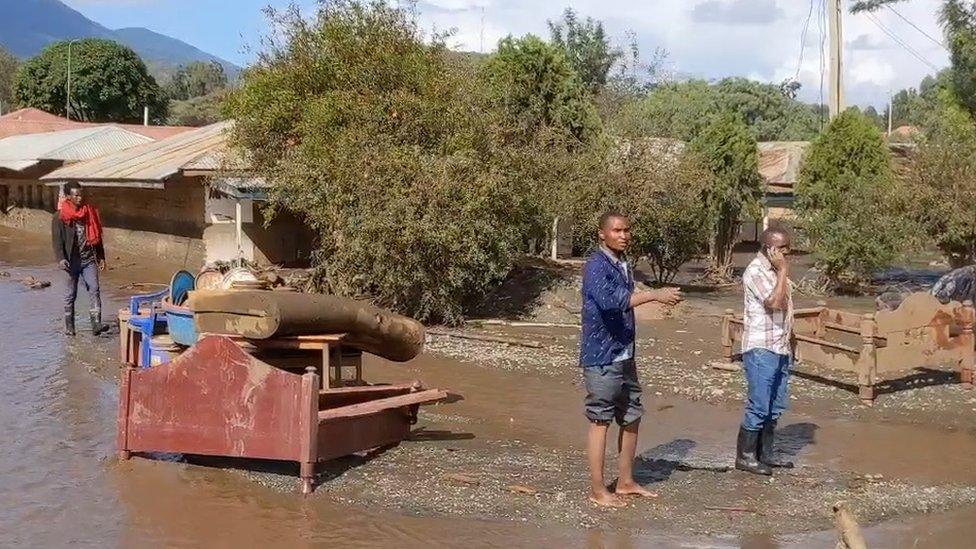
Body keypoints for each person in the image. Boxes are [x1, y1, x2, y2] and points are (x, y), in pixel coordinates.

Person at [580, 211, 682, 507]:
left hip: (624, 352)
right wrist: (654, 295)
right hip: (601, 354)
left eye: (627, 230)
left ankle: (625, 481)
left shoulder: (623, 264)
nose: (623, 235)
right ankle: (598, 490)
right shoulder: (596, 266)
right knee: (600, 419)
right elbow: (612, 303)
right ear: (602, 234)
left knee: (632, 416)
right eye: (617, 230)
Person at [736, 226, 795, 476]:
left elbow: (787, 310)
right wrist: (782, 270)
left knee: (775, 404)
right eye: (781, 249)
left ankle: (765, 453)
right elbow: (775, 303)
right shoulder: (755, 271)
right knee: (759, 404)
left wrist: (793, 342)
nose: (786, 254)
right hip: (761, 347)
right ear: (769, 248)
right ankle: (746, 456)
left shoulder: (774, 270)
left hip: (780, 346)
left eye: (787, 249)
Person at [52, 181, 107, 336]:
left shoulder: (89, 212)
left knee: (94, 289)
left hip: (88, 258)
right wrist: (61, 259)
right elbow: (57, 241)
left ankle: (96, 324)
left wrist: (101, 257)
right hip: (71, 260)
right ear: (68, 196)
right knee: (71, 294)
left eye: (81, 194)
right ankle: (70, 327)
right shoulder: (59, 217)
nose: (79, 198)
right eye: (76, 195)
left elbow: (97, 236)